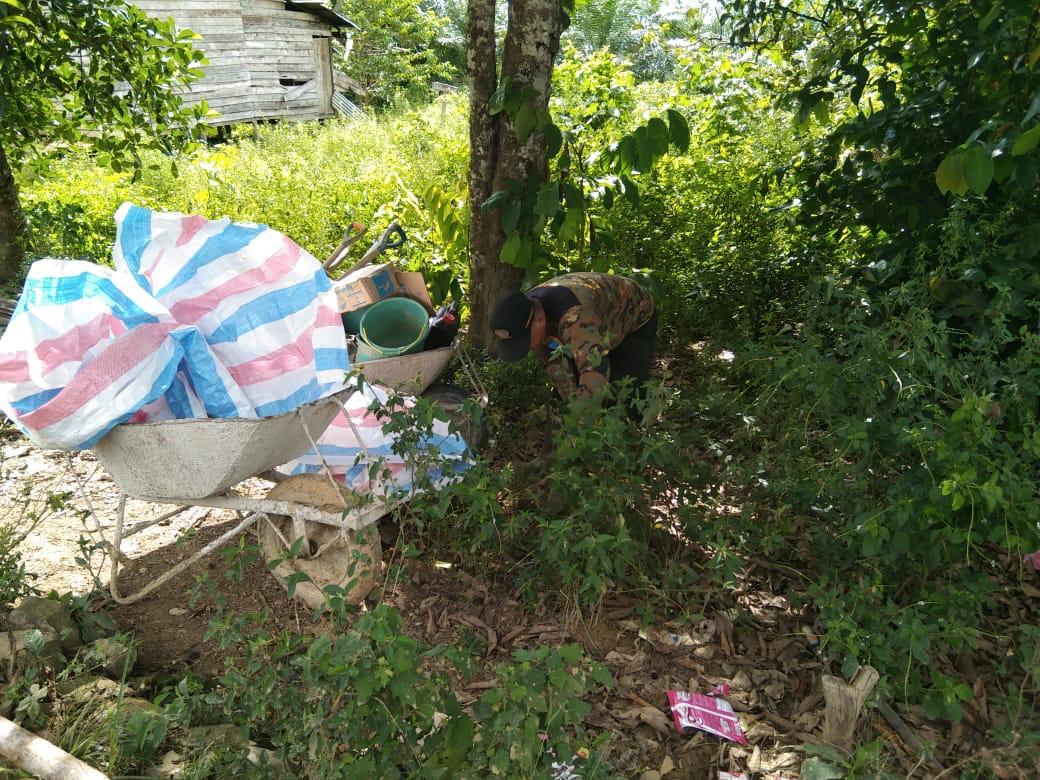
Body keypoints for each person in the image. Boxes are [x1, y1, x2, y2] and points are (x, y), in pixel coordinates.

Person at [489, 272, 657, 411]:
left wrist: (579, 422)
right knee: (578, 390)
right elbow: (554, 363)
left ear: (539, 321)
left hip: (634, 313)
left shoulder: (573, 316)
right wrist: (570, 404)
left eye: (525, 341)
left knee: (625, 393)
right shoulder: (523, 311)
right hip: (596, 321)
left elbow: (595, 369)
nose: (528, 347)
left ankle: (633, 433)